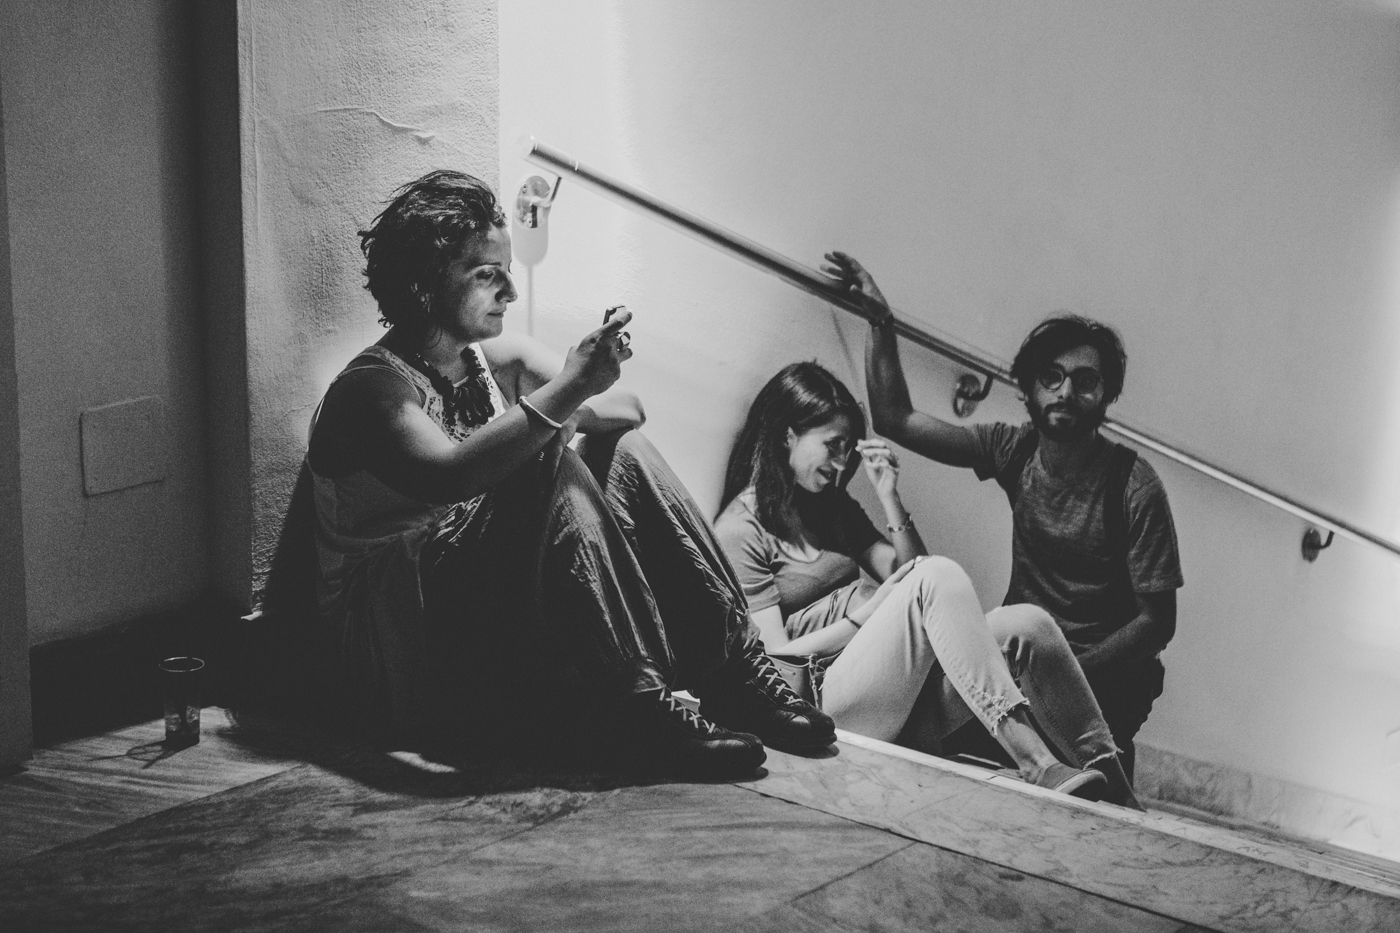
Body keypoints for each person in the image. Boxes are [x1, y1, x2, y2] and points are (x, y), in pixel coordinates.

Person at [304, 169, 835, 777]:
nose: (510, 290)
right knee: (542, 460)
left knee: (619, 452)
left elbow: (628, 411)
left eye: (508, 270)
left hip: (470, 616)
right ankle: (633, 706)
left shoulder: (491, 361)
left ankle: (732, 671)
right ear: (425, 285)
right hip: (393, 648)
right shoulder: (372, 389)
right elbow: (450, 477)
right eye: (487, 274)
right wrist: (565, 398)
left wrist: (576, 396)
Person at [825, 251, 1184, 781]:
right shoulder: (1015, 450)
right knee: (930, 731)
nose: (1066, 392)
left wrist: (1067, 673)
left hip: (1106, 679)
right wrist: (881, 321)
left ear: (1107, 395)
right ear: (1029, 387)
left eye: (1085, 381)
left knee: (1091, 786)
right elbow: (896, 419)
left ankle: (1095, 767)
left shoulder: (1134, 485)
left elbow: (1157, 623)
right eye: (1052, 377)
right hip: (1020, 657)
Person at [714, 362, 1140, 806]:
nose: (841, 463)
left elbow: (914, 571)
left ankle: (1123, 798)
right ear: (788, 435)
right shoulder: (741, 531)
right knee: (938, 574)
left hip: (892, 696)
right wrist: (866, 615)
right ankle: (1036, 762)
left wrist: (889, 497)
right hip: (822, 705)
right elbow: (773, 661)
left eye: (846, 449)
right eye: (832, 445)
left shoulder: (830, 508)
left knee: (1028, 624)